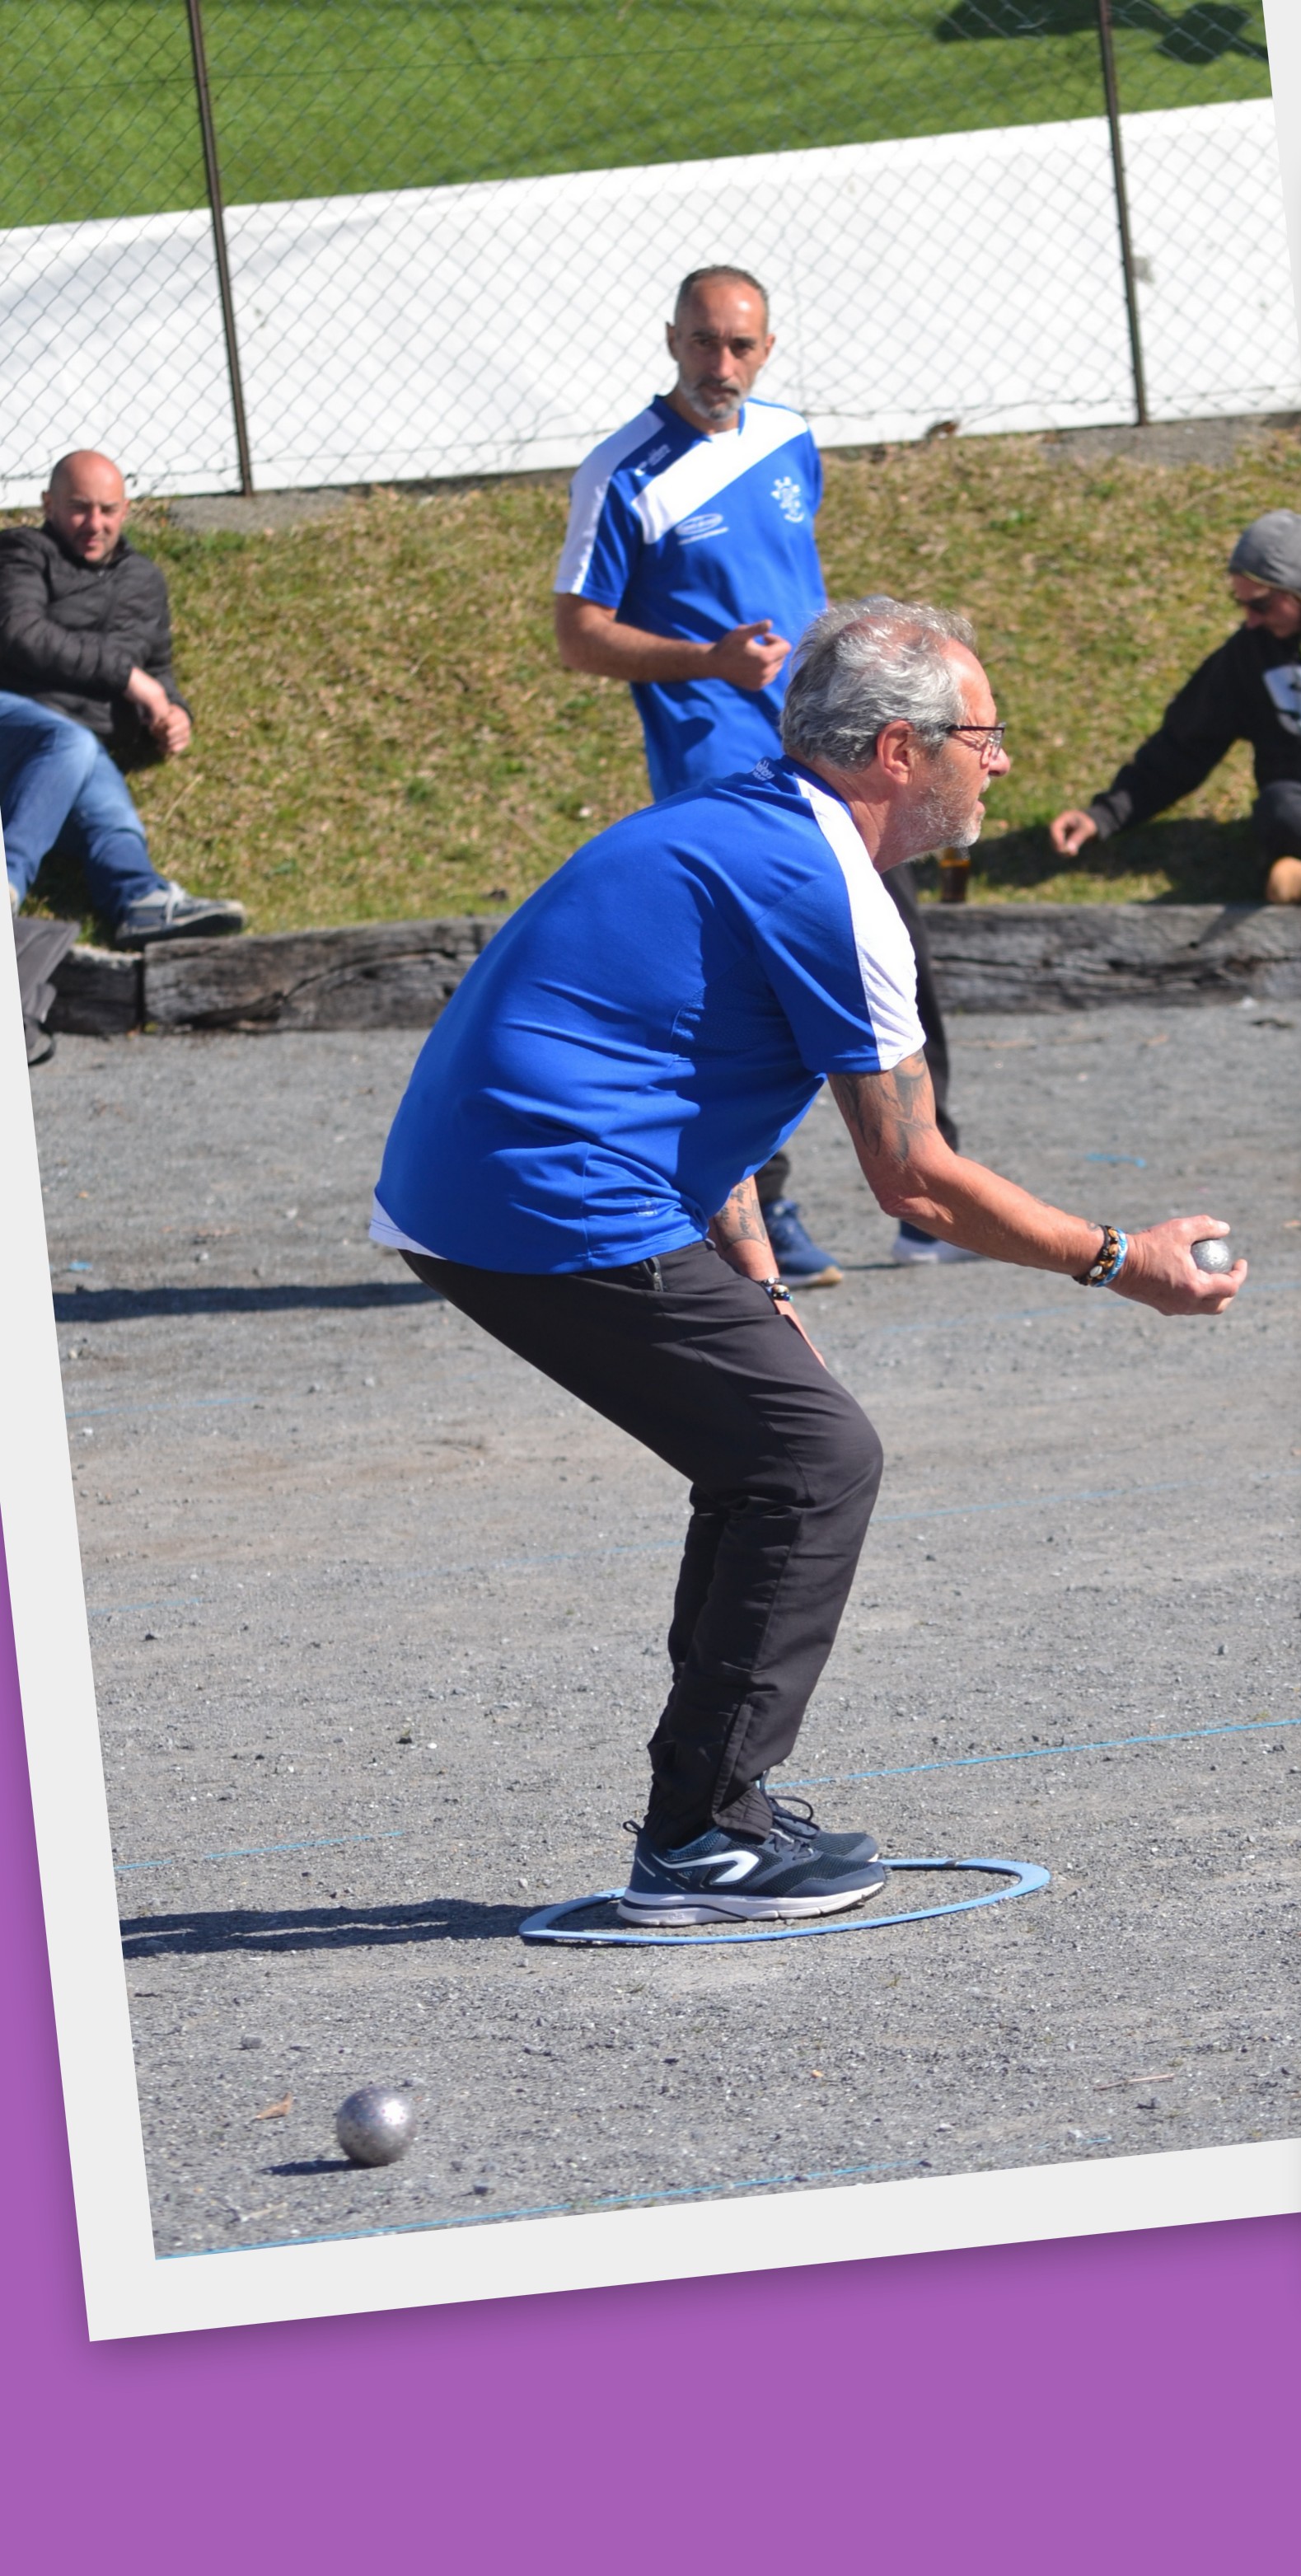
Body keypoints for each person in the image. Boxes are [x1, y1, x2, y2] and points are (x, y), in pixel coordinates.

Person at [371, 599, 1243, 1923]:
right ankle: (700, 1844)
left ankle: (714, 1809)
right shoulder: (834, 890)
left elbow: (691, 1076)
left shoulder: (745, 830)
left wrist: (758, 1282)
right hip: (543, 1199)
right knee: (815, 1462)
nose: (1000, 762)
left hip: (499, 1183)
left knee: (765, 1453)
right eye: (984, 736)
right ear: (900, 749)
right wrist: (1125, 1258)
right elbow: (919, 1183)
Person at [552, 264, 966, 1286]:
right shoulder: (622, 472)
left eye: (740, 345)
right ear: (670, 339)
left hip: (839, 756)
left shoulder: (788, 437)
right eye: (702, 342)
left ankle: (937, 1184)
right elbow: (578, 635)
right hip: (718, 773)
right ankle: (763, 1212)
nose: (720, 364)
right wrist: (708, 662)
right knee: (747, 997)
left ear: (767, 350)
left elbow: (798, 581)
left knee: (899, 956)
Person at [1, 449, 250, 953]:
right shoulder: (21, 551)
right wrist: (128, 679)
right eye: (79, 507)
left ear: (126, 509)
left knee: (109, 814)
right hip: (15, 717)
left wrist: (175, 713)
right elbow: (19, 633)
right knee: (68, 739)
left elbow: (158, 670)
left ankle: (141, 900)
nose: (95, 523)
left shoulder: (144, 580)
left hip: (76, 748)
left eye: (108, 509)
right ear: (48, 504)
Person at [1046, 510, 1301, 904]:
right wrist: (1103, 816)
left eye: (1261, 605)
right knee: (1281, 809)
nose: (1250, 621)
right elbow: (1183, 746)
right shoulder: (1248, 657)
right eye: (1241, 604)